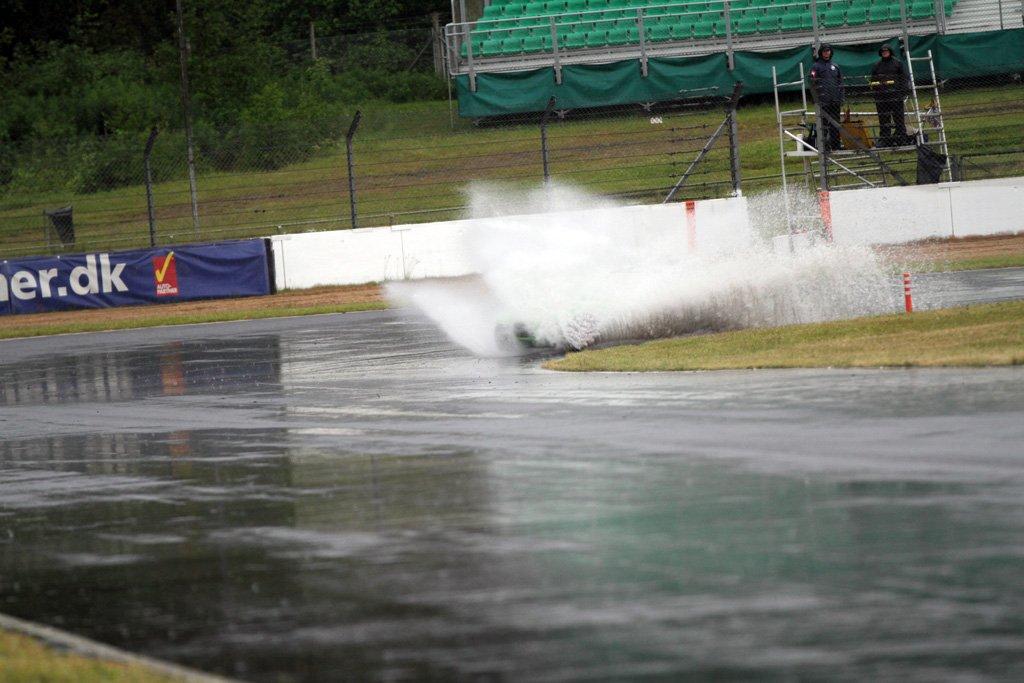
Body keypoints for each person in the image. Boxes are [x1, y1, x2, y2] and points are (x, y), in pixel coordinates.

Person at [870, 43, 909, 147]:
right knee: (883, 118)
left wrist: (902, 92)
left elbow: (904, 79)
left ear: (890, 52)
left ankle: (901, 138)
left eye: (886, 51)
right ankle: (885, 139)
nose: (885, 53)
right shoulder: (877, 65)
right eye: (883, 52)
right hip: (882, 98)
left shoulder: (898, 63)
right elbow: (873, 81)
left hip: (896, 97)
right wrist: (876, 93)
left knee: (899, 118)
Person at [809, 43, 844, 152]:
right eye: (824, 51)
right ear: (821, 53)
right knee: (823, 125)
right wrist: (817, 99)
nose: (826, 53)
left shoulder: (835, 66)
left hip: (835, 100)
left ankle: (836, 145)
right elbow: (812, 83)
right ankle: (824, 146)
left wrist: (841, 97)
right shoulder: (816, 66)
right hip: (823, 101)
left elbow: (840, 83)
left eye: (828, 51)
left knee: (835, 124)